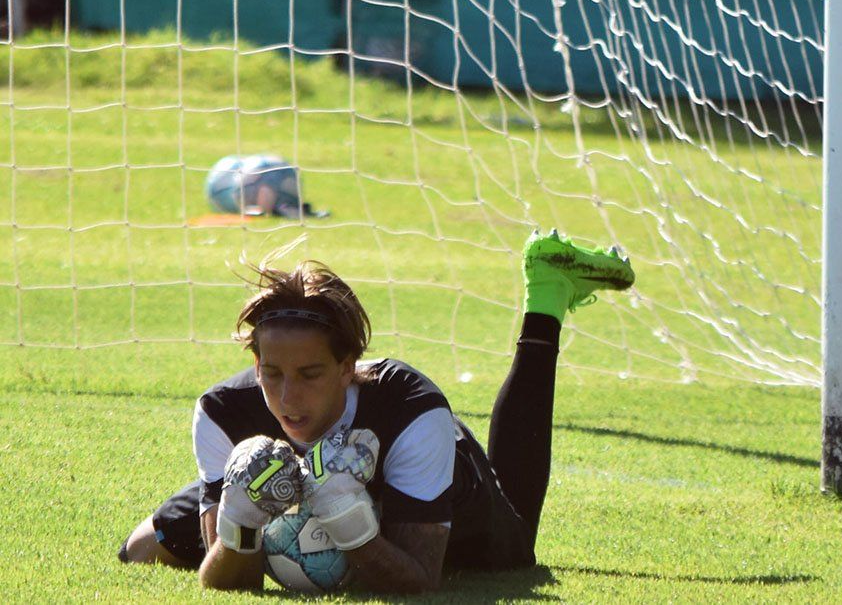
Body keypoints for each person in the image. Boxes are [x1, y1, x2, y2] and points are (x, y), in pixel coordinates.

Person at [117, 229, 635, 593]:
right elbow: (230, 582)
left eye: (311, 375)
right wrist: (241, 527)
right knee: (141, 548)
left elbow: (420, 578)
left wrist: (352, 524)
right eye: (272, 374)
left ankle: (547, 294)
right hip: (286, 472)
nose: (288, 397)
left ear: (348, 367)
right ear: (255, 364)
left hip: (426, 470)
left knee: (516, 547)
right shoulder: (222, 412)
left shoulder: (411, 412)